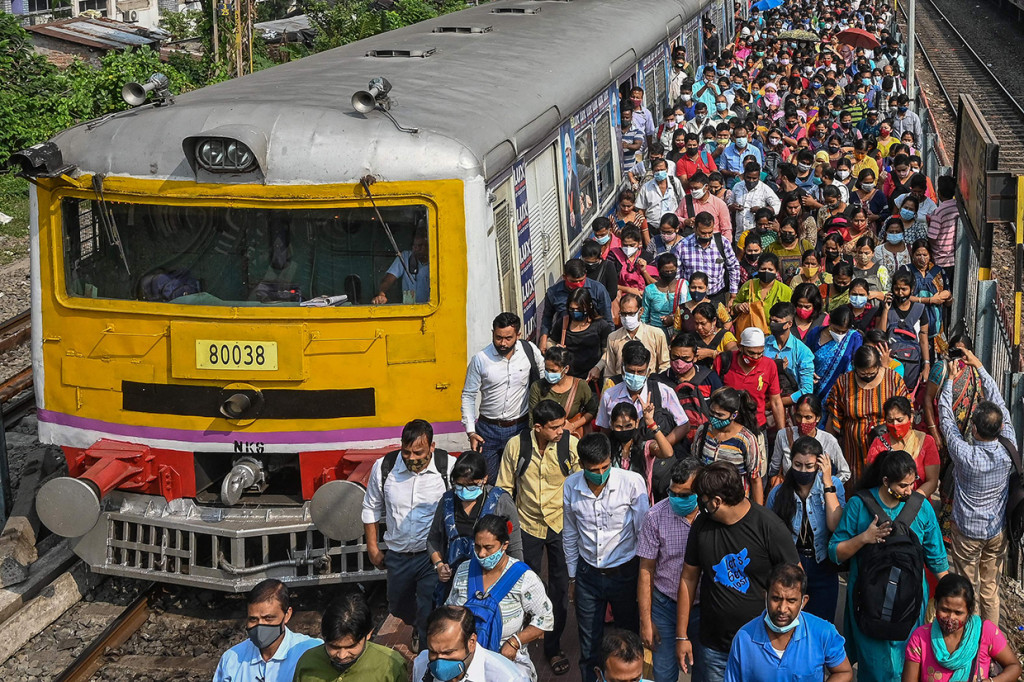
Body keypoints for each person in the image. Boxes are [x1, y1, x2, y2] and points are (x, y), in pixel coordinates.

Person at [829, 450, 949, 682]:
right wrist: (864, 538)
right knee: (875, 667)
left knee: (909, 666)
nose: (910, 491)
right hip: (867, 601)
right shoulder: (858, 505)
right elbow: (835, 552)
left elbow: (937, 559)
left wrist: (953, 595)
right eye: (903, 486)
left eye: (913, 484)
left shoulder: (922, 508)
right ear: (885, 481)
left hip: (910, 603)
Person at [675, 462, 801, 682]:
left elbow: (797, 581)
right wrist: (682, 635)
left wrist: (783, 634)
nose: (699, 507)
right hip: (714, 647)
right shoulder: (702, 525)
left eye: (702, 501)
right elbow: (688, 578)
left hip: (762, 645)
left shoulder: (769, 527)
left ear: (716, 502)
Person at [495, 400, 579, 677]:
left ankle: (552, 647)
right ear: (538, 427)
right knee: (522, 588)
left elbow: (580, 483)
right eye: (554, 427)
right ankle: (522, 644)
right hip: (526, 526)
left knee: (558, 589)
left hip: (560, 525)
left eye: (562, 424)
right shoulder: (516, 446)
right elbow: (504, 488)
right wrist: (504, 529)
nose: (561, 430)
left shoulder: (570, 445)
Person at [564, 433, 651, 682]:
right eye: (593, 469)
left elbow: (642, 533)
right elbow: (570, 533)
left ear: (610, 460)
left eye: (605, 466)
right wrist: (572, 578)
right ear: (582, 466)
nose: (600, 473)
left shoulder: (632, 482)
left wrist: (643, 582)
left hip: (625, 573)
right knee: (589, 646)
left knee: (629, 642)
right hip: (587, 575)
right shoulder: (571, 486)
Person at [939, 348, 1016, 627]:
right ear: (999, 427)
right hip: (995, 531)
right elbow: (1000, 402)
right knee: (990, 589)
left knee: (968, 587)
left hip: (967, 531)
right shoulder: (1009, 446)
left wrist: (949, 380)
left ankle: (971, 645)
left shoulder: (964, 453)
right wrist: (981, 366)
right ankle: (992, 645)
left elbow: (945, 416)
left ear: (974, 428)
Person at [361, 419, 449, 650]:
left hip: (431, 555)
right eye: (406, 452)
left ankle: (424, 639)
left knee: (428, 602)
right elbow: (371, 507)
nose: (411, 458)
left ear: (432, 447)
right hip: (398, 555)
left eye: (418, 452)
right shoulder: (384, 467)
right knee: (397, 605)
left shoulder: (447, 466)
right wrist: (372, 548)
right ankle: (419, 625)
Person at [446, 515, 553, 680]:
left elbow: (544, 619)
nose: (481, 553)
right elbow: (449, 612)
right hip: (465, 659)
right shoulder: (463, 571)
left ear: (505, 545)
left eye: (488, 547)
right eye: (477, 547)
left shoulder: (524, 578)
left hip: (507, 658)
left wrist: (514, 642)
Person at [724, 563, 852, 682]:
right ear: (765, 596)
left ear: (803, 602)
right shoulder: (744, 638)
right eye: (776, 599)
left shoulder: (824, 632)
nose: (782, 609)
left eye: (791, 601)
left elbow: (844, 672)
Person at [638, 459, 704, 682]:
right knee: (664, 673)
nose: (677, 499)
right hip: (665, 606)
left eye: (685, 495)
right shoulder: (654, 517)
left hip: (703, 608)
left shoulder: (713, 515)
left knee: (704, 672)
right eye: (672, 492)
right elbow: (646, 570)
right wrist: (646, 621)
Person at [428, 451, 523, 603]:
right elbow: (433, 539)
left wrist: (516, 581)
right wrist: (439, 565)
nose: (465, 490)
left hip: (493, 581)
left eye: (472, 485)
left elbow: (515, 545)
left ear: (484, 479)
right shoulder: (447, 501)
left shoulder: (500, 501)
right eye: (460, 485)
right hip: (454, 584)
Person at [766, 439, 845, 622]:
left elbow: (835, 524)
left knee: (822, 624)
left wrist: (827, 482)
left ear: (819, 464)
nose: (803, 471)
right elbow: (769, 536)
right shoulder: (778, 493)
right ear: (790, 463)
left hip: (822, 564)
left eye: (809, 466)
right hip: (791, 563)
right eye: (798, 465)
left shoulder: (833, 485)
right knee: (791, 621)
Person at [462, 313, 544, 481]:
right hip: (487, 430)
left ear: (518, 335)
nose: (503, 343)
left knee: (522, 480)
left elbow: (542, 382)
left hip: (520, 428)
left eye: (508, 338)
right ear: (493, 333)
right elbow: (468, 396)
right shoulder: (480, 359)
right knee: (490, 481)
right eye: (498, 338)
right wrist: (471, 432)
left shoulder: (529, 351)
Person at [903, 574, 1022, 682]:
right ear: (936, 604)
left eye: (958, 613)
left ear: (969, 611)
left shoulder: (985, 632)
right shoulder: (920, 639)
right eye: (945, 610)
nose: (950, 618)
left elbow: (1014, 667)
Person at [827, 345, 909, 484]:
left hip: (887, 448)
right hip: (854, 451)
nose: (868, 377)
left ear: (879, 365)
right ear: (855, 368)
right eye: (863, 374)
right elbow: (833, 417)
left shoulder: (893, 380)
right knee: (855, 487)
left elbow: (906, 412)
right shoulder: (844, 383)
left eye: (872, 373)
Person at [214, 579, 322, 682]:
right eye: (253, 619)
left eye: (268, 618)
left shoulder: (311, 652)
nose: (260, 625)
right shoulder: (232, 660)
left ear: (287, 615)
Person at [292, 590, 406, 682]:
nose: (342, 655)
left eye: (351, 647)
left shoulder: (391, 666)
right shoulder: (307, 663)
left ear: (369, 634)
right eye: (334, 647)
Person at [411, 605, 530, 682]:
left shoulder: (508, 678)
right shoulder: (421, 664)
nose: (439, 661)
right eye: (433, 651)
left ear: (471, 642)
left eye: (448, 652)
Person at [595, 340, 688, 437]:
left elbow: (684, 424)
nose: (635, 376)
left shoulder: (664, 392)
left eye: (640, 372)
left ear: (648, 371)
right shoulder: (610, 395)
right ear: (623, 370)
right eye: (631, 371)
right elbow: (605, 430)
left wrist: (661, 447)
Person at [691, 386, 765, 503]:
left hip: (735, 504)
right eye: (712, 412)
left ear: (734, 415)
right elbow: (695, 464)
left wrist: (758, 513)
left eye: (720, 415)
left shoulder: (746, 439)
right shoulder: (703, 432)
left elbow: (755, 479)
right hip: (707, 501)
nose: (714, 418)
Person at [714, 327, 785, 436]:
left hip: (757, 427)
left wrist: (781, 433)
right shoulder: (723, 362)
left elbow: (776, 401)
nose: (756, 357)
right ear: (740, 347)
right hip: (727, 428)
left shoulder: (769, 366)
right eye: (751, 353)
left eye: (760, 353)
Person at [865, 396, 940, 498]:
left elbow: (932, 481)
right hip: (885, 503)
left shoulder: (925, 442)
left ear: (911, 418)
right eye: (890, 421)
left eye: (899, 420)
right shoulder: (879, 444)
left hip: (918, 502)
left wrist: (912, 502)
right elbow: (872, 479)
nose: (895, 425)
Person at [769, 394, 850, 484]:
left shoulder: (828, 440)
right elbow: (774, 468)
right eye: (799, 416)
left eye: (808, 417)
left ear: (818, 418)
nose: (803, 422)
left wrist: (826, 486)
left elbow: (845, 473)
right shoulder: (783, 435)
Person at [588, 293, 670, 382]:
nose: (627, 318)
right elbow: (609, 372)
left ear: (641, 311)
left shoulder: (656, 335)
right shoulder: (613, 338)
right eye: (623, 314)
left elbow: (664, 365)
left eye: (631, 314)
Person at [605, 401, 677, 499]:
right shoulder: (606, 449)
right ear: (612, 425)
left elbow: (668, 453)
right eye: (619, 427)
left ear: (637, 423)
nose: (624, 430)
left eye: (628, 426)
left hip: (641, 503)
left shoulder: (645, 447)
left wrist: (651, 423)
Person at [540, 259, 614, 351]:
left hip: (593, 342)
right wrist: (543, 339)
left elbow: (607, 318)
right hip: (566, 342)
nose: (578, 285)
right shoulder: (553, 293)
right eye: (574, 282)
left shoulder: (598, 290)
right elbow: (547, 318)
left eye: (581, 280)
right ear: (564, 277)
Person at [547, 289, 614, 380]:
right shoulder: (563, 323)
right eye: (572, 309)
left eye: (579, 309)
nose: (575, 312)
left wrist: (598, 368)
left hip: (591, 379)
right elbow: (550, 341)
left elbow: (607, 352)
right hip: (568, 378)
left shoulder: (601, 326)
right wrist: (555, 350)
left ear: (589, 306)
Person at [528, 346, 597, 434]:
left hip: (571, 437)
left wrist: (573, 426)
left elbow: (592, 410)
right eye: (547, 370)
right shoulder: (537, 386)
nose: (549, 374)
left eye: (553, 371)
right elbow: (532, 420)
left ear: (566, 369)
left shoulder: (580, 386)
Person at [677, 212, 740, 307]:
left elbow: (733, 267)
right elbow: (678, 274)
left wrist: (733, 294)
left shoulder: (722, 243)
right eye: (703, 233)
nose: (707, 236)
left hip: (716, 296)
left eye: (710, 232)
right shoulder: (682, 246)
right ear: (695, 228)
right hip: (691, 298)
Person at [882, 271, 931, 392]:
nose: (900, 293)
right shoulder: (886, 307)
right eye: (897, 289)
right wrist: (885, 310)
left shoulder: (920, 309)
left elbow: (924, 339)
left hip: (912, 364)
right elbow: (880, 333)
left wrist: (926, 364)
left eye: (904, 289)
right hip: (889, 363)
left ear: (912, 289)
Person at [806, 305, 863, 402]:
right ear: (829, 322)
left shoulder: (854, 338)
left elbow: (858, 364)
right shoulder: (815, 333)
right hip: (813, 388)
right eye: (836, 330)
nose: (840, 335)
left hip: (840, 393)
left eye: (844, 332)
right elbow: (805, 358)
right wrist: (808, 373)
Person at [764, 301, 814, 407]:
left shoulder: (803, 351)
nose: (772, 324)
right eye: (771, 320)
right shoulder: (763, 345)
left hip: (790, 405)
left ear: (789, 324)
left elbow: (806, 390)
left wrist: (775, 404)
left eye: (776, 321)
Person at [898, 239, 950, 339]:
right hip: (912, 319)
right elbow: (901, 296)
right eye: (918, 255)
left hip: (935, 322)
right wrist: (929, 300)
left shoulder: (939, 271)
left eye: (925, 255)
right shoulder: (905, 270)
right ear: (912, 255)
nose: (922, 258)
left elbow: (948, 302)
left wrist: (947, 295)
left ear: (930, 255)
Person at [371, 228, 430, 304]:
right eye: (414, 246)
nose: (416, 249)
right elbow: (388, 279)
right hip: (410, 308)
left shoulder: (438, 260)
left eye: (421, 245)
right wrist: (381, 294)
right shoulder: (405, 257)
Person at [732, 253, 793, 327]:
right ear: (758, 269)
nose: (766, 272)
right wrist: (739, 306)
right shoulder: (748, 285)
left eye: (770, 269)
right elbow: (734, 306)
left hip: (775, 334)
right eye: (763, 269)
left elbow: (789, 315)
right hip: (751, 331)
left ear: (776, 271)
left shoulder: (785, 291)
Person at [730, 161, 781, 235]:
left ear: (759, 177)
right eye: (748, 178)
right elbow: (729, 203)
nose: (751, 181)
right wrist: (733, 207)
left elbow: (777, 205)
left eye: (754, 178)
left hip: (757, 234)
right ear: (744, 175)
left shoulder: (765, 189)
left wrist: (762, 210)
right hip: (739, 233)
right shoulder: (737, 186)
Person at [642, 253, 688, 334]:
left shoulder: (684, 286)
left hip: (679, 333)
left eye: (672, 271)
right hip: (655, 333)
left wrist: (673, 318)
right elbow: (644, 316)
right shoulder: (650, 290)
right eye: (666, 271)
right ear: (659, 270)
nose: (669, 273)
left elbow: (689, 309)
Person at [926, 175, 957, 286]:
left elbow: (932, 237)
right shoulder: (958, 207)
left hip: (941, 258)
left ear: (939, 192)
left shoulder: (938, 212)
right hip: (954, 256)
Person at [637, 159, 684, 225]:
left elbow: (683, 201)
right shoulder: (646, 187)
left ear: (667, 169)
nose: (659, 172)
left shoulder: (675, 182)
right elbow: (641, 210)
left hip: (672, 225)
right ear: (653, 172)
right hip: (652, 225)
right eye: (657, 170)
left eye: (662, 170)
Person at [692, 301, 738, 366]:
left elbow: (735, 356)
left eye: (703, 323)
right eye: (696, 323)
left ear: (714, 321)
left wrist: (711, 353)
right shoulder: (692, 337)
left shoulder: (725, 336)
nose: (699, 327)